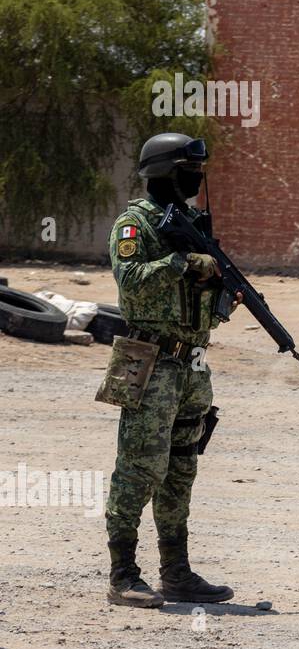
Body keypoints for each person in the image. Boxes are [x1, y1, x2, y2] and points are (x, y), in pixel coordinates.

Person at [103, 133, 237, 608]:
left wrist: (222, 297)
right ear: (164, 170)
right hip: (149, 360)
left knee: (181, 470)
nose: (196, 178)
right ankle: (123, 575)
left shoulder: (193, 224)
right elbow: (132, 282)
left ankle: (176, 573)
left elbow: (201, 309)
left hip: (192, 365)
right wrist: (182, 263)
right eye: (188, 168)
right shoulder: (135, 224)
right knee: (140, 469)